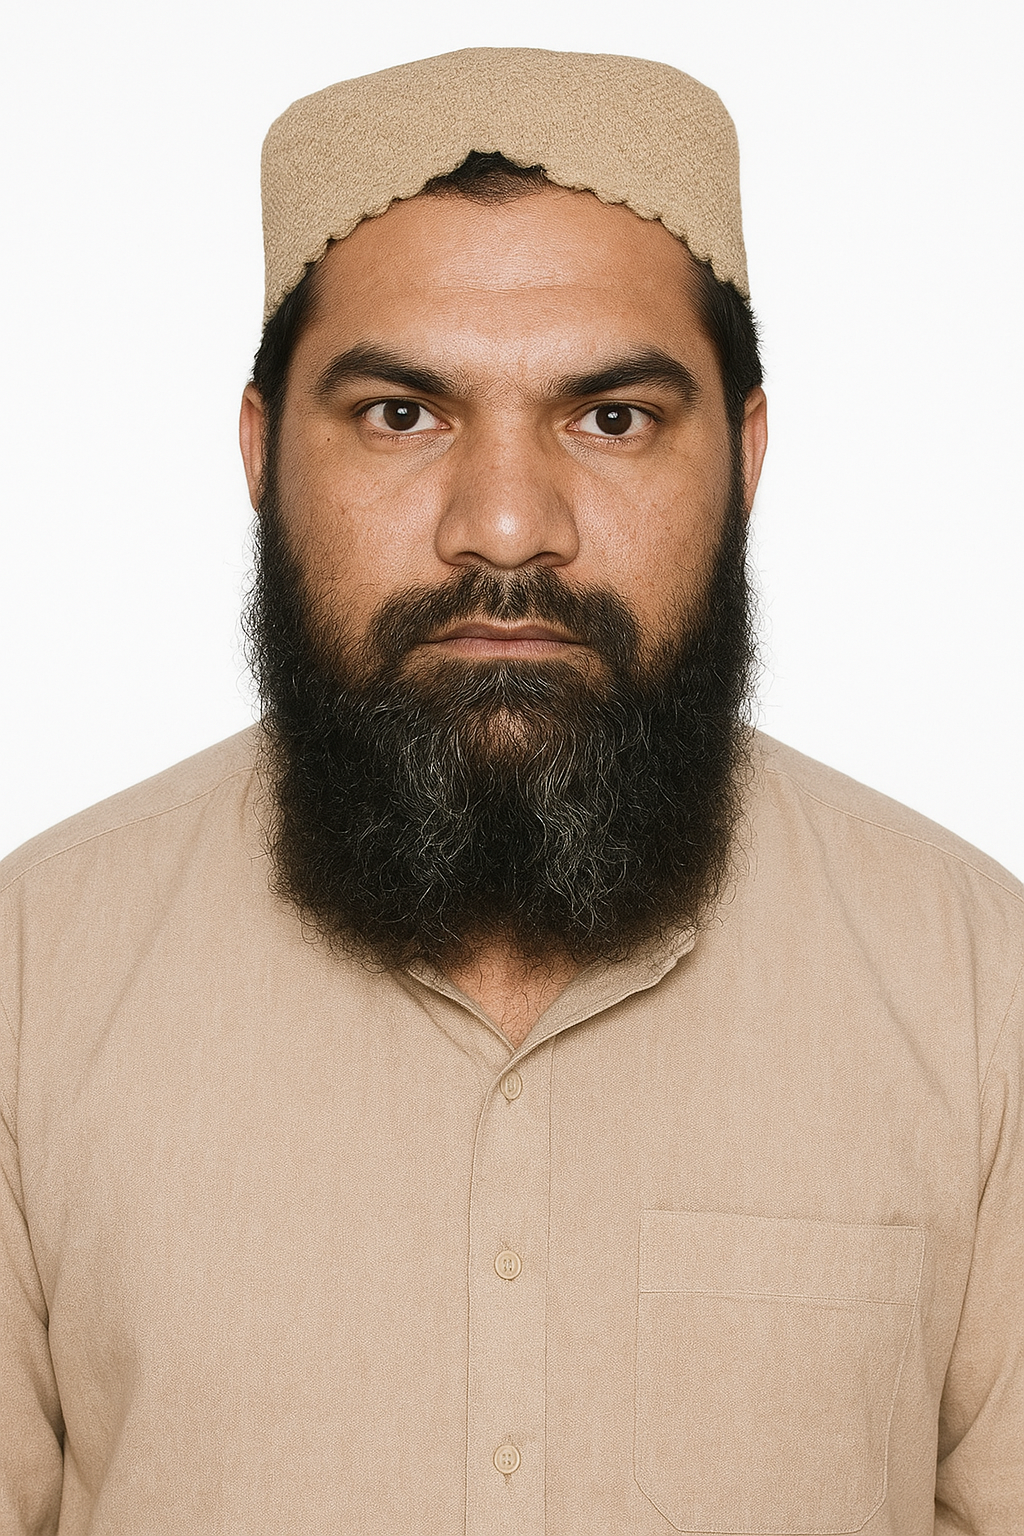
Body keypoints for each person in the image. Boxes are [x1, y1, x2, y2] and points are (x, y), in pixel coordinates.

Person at [0, 45, 1020, 1536]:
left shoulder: (982, 988)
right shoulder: (31, 975)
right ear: (261, 454)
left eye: (611, 417)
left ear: (744, 459)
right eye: (401, 413)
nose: (502, 527)